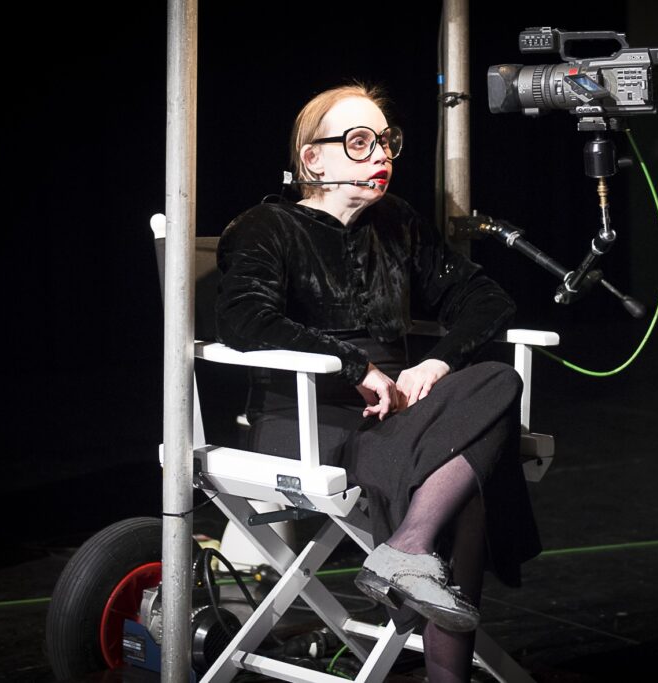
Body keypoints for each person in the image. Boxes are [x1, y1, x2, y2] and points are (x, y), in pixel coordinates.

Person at [214, 82, 541, 682]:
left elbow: (485, 297)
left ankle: (407, 547)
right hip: (310, 415)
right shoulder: (265, 227)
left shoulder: (395, 223)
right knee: (466, 486)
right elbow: (243, 318)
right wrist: (353, 365)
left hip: (396, 408)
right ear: (312, 158)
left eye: (386, 142)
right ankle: (424, 591)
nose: (381, 156)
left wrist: (434, 363)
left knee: (494, 378)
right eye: (360, 143)